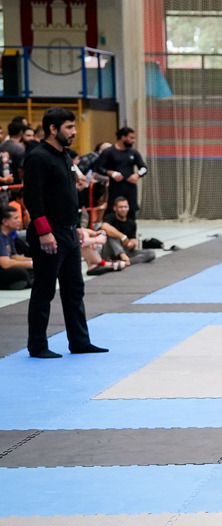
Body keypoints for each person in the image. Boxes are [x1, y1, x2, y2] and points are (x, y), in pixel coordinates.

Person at [22, 106, 106, 358]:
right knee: (44, 290)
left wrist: (77, 225)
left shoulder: (65, 156)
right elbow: (33, 198)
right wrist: (44, 233)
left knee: (74, 290)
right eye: (69, 127)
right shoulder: (38, 157)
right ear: (53, 128)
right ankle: (37, 345)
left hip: (69, 232)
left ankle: (79, 341)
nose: (74, 132)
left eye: (73, 126)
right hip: (49, 234)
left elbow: (68, 196)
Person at [95, 127, 147, 219]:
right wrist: (111, 173)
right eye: (131, 138)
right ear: (123, 137)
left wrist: (137, 175)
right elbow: (99, 168)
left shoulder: (133, 152)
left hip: (130, 188)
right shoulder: (109, 152)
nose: (133, 141)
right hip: (115, 188)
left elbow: (144, 168)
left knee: (130, 211)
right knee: (112, 212)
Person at [99, 196, 155, 265]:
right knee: (111, 234)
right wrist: (122, 237)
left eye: (125, 207)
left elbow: (133, 240)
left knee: (151, 253)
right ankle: (122, 257)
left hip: (125, 250)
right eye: (120, 207)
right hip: (110, 251)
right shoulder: (110, 217)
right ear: (115, 208)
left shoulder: (131, 223)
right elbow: (104, 227)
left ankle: (126, 262)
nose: (123, 209)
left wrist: (130, 244)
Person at [0, 204, 33, 290]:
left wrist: (33, 260)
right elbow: (5, 264)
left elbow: (14, 256)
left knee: (34, 269)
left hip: (6, 267)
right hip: (3, 268)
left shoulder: (9, 235)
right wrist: (30, 264)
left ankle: (23, 282)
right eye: (15, 218)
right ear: (5, 222)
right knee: (20, 272)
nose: (19, 220)